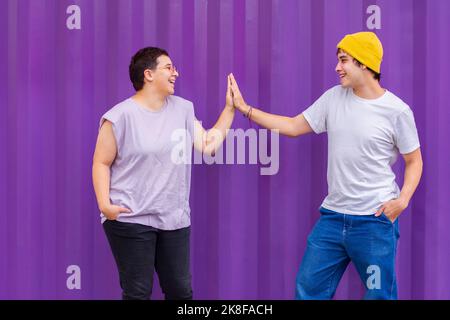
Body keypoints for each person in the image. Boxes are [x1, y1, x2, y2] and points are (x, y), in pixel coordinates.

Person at [229, 32, 423, 299]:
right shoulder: (334, 98)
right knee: (308, 292)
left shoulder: (397, 111)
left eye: (344, 61)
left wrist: (402, 200)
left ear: (364, 64)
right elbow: (294, 126)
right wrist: (245, 108)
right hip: (332, 219)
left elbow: (414, 161)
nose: (337, 67)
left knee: (379, 295)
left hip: (375, 222)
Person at [92, 47, 235, 300]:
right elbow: (101, 163)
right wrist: (105, 205)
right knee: (138, 293)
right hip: (131, 218)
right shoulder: (119, 117)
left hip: (174, 219)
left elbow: (207, 144)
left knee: (180, 292)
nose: (175, 73)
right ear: (148, 74)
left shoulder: (183, 109)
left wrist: (230, 110)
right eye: (169, 67)